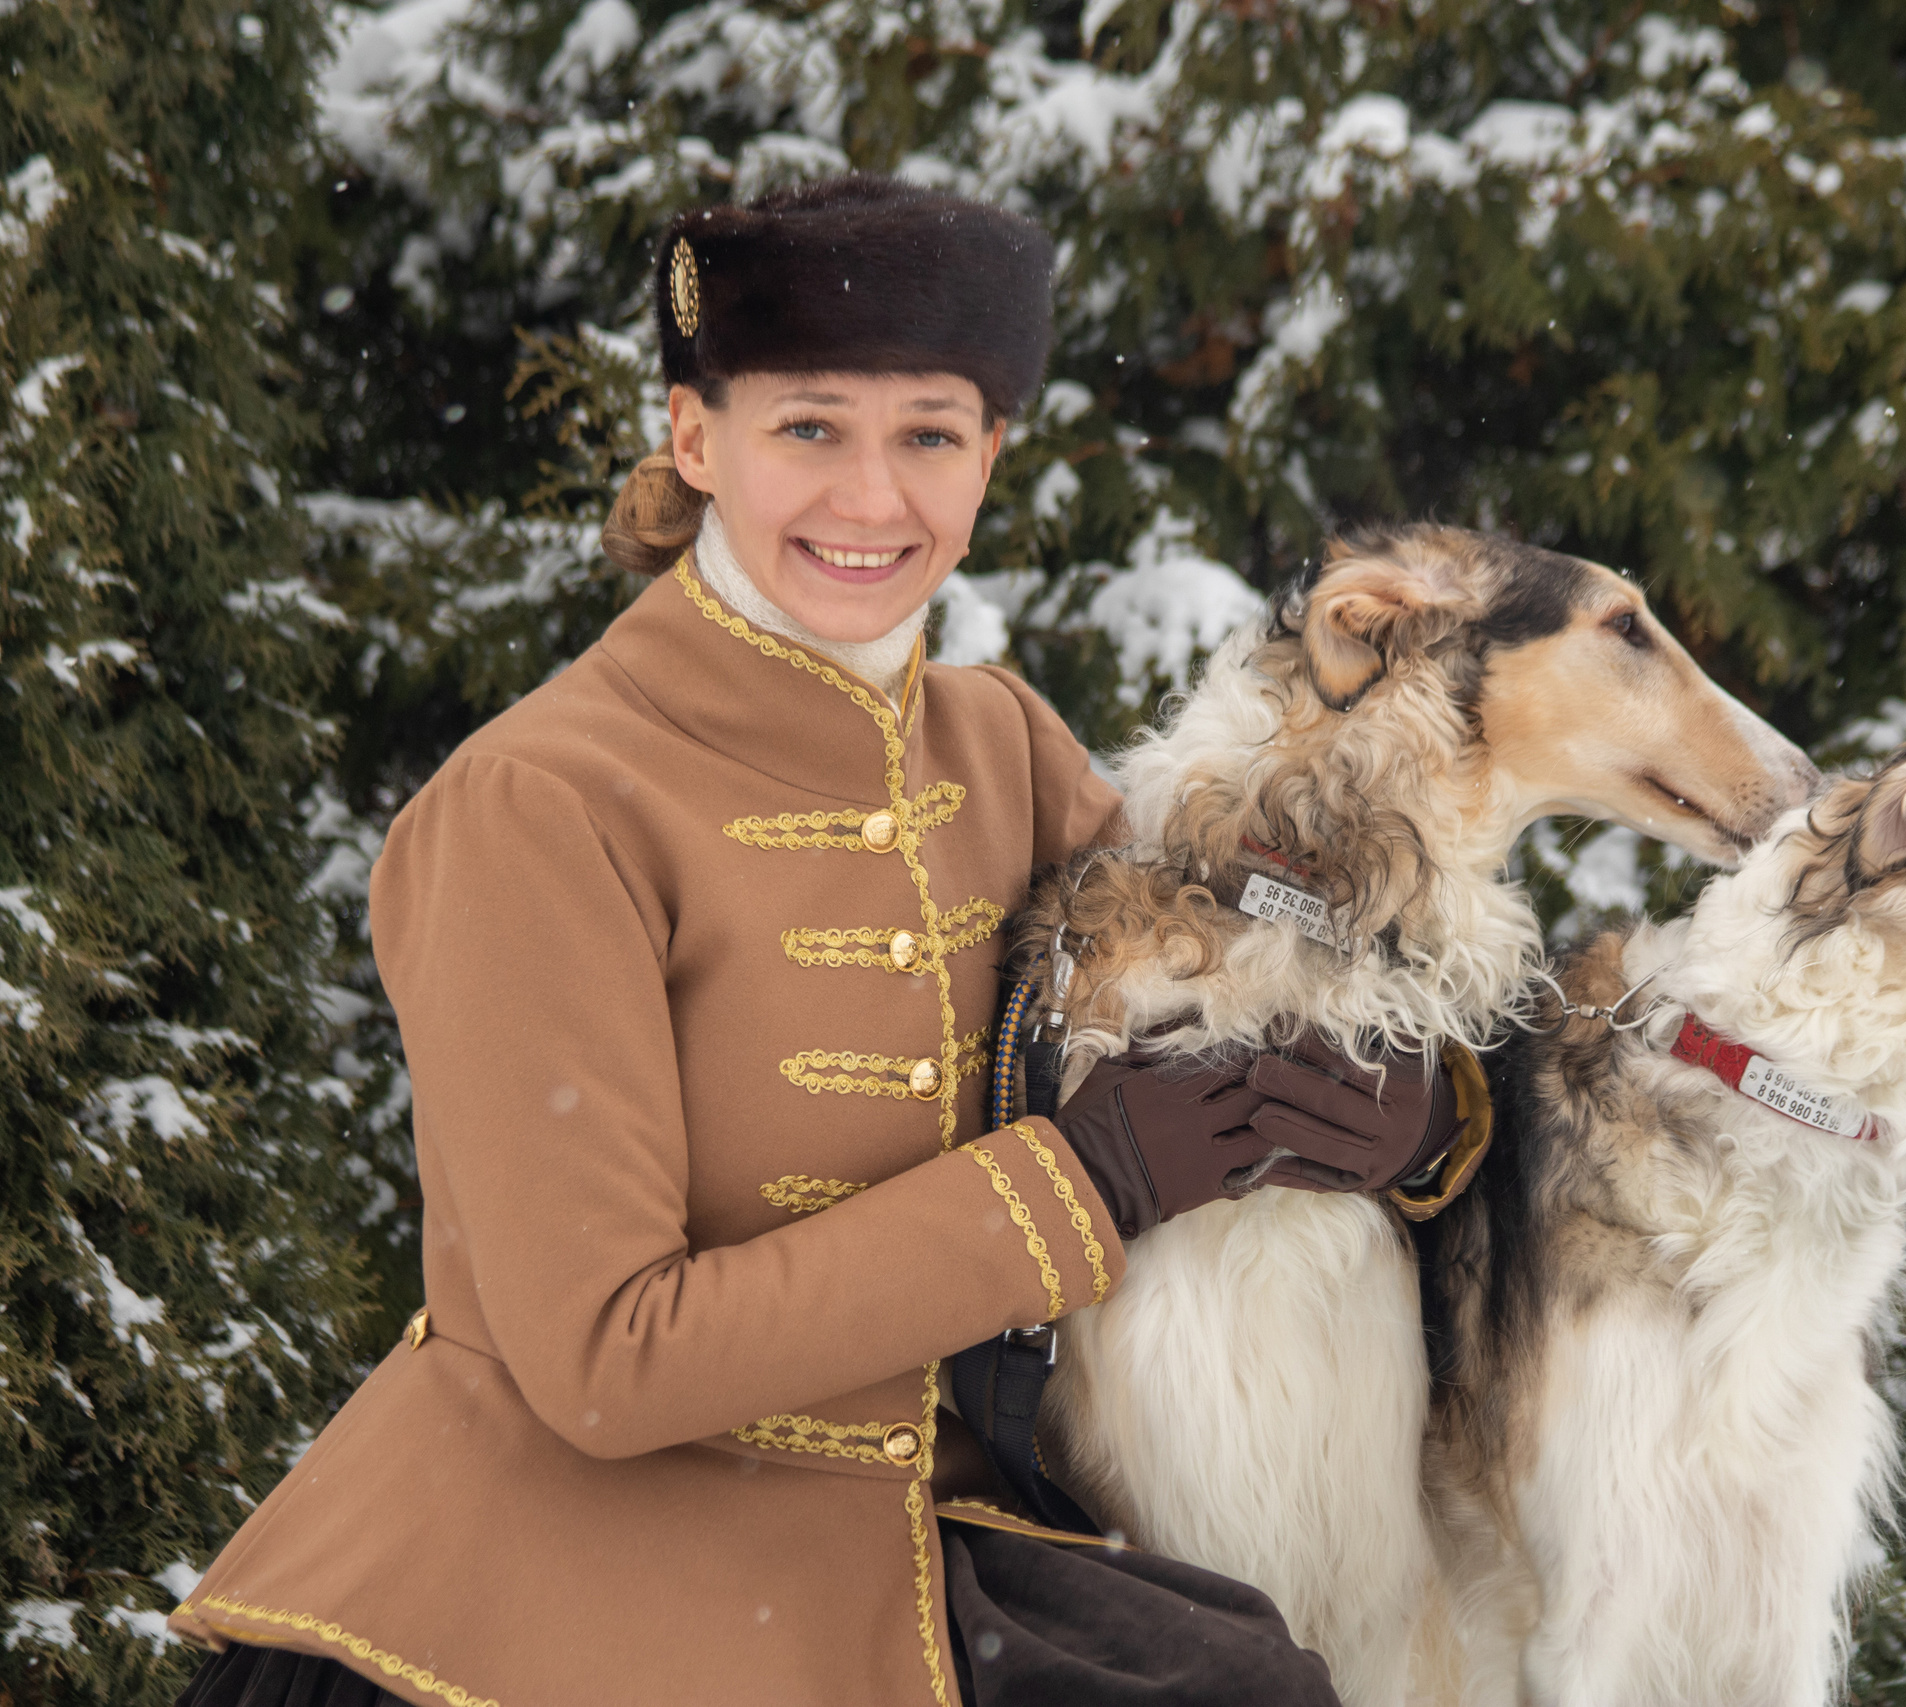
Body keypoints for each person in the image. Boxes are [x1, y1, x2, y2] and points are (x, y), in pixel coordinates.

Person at [168, 175, 1457, 1707]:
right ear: (695, 439)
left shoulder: (1001, 746)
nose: (870, 499)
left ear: (992, 459)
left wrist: (1416, 1114)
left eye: (927, 433)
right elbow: (604, 1358)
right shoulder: (531, 806)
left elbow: (1224, 972)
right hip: (529, 1595)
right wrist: (1086, 1181)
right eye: (807, 429)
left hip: (898, 1548)